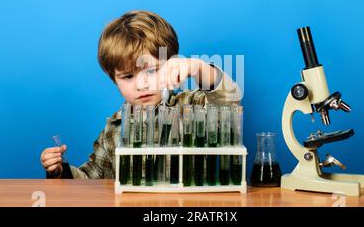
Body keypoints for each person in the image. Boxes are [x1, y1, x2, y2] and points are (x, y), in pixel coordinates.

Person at [40, 10, 242, 179]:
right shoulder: (114, 128)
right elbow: (92, 179)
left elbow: (228, 100)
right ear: (114, 80)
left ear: (171, 65)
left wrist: (199, 68)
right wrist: (59, 171)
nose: (142, 84)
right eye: (128, 76)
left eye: (152, 71)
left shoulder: (191, 106)